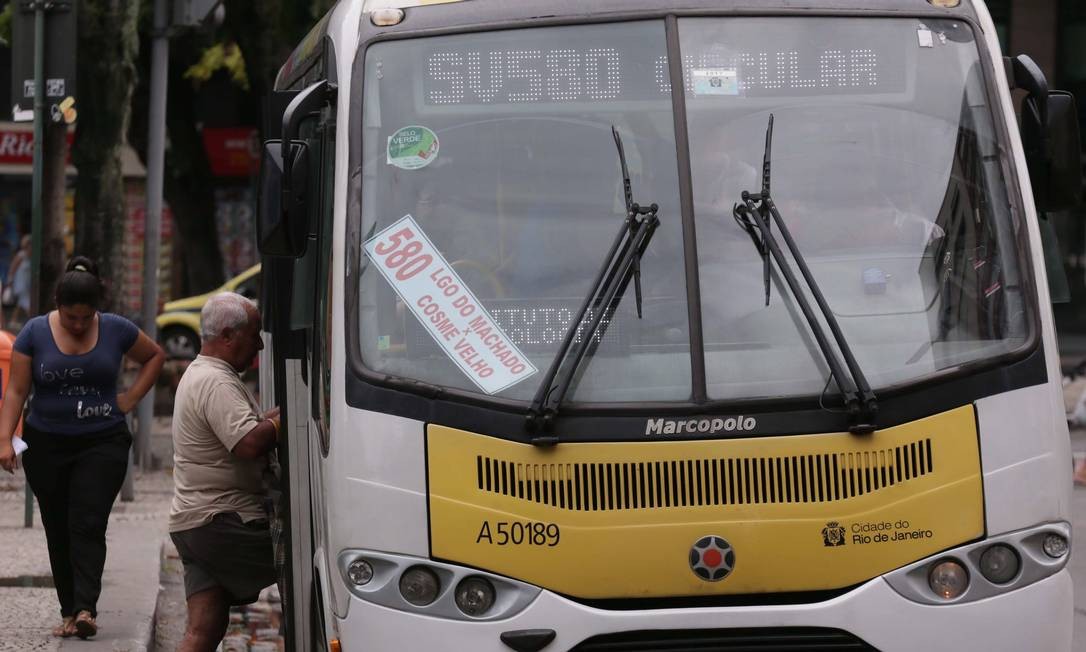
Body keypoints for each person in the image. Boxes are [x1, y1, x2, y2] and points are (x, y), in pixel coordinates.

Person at [0, 256, 166, 639]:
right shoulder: (33, 333)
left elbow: (154, 356)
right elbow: (17, 390)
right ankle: (68, 611)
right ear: (57, 305)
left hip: (102, 441)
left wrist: (129, 399)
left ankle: (86, 608)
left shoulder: (117, 330)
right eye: (71, 317)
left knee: (88, 521)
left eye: (85, 318)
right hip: (46, 444)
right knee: (57, 526)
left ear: (97, 310)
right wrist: (6, 439)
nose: (78, 324)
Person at [168, 292, 280, 652]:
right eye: (254, 334)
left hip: (193, 522)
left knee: (204, 629)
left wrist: (275, 418)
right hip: (222, 521)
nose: (259, 344)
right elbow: (248, 443)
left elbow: (253, 426)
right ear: (229, 335)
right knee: (305, 555)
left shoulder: (201, 373)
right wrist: (292, 417)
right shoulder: (216, 381)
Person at [8, 234, 31, 325]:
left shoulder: (31, 257)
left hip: (27, 283)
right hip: (20, 283)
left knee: (20, 303)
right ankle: (31, 321)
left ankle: (13, 320)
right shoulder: (21, 255)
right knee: (26, 303)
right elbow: (13, 267)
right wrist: (10, 280)